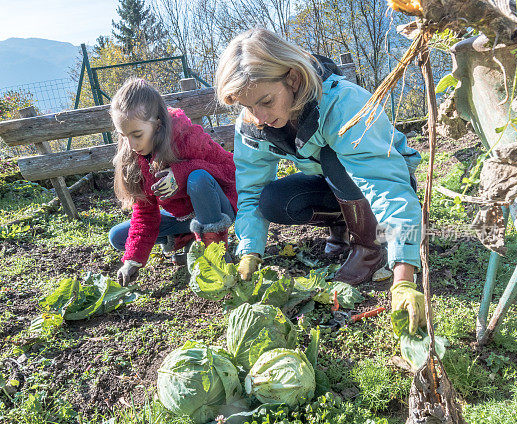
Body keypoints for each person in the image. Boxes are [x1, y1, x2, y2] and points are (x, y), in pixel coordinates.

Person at [215, 28, 426, 334]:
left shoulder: (344, 104)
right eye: (248, 107)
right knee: (272, 200)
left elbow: (386, 185)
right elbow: (250, 191)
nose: (258, 117)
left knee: (331, 157)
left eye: (266, 101)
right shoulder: (253, 125)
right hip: (336, 184)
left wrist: (404, 276)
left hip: (387, 180)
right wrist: (250, 251)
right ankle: (345, 224)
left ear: (293, 79)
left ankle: (370, 249)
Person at [108, 77, 238, 286]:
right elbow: (145, 211)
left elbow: (231, 170)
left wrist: (183, 173)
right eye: (124, 136)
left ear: (157, 124)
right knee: (118, 237)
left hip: (218, 208)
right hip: (182, 216)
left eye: (137, 134)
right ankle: (185, 237)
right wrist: (132, 261)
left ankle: (215, 253)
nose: (131, 144)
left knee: (198, 179)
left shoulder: (187, 138)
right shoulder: (135, 157)